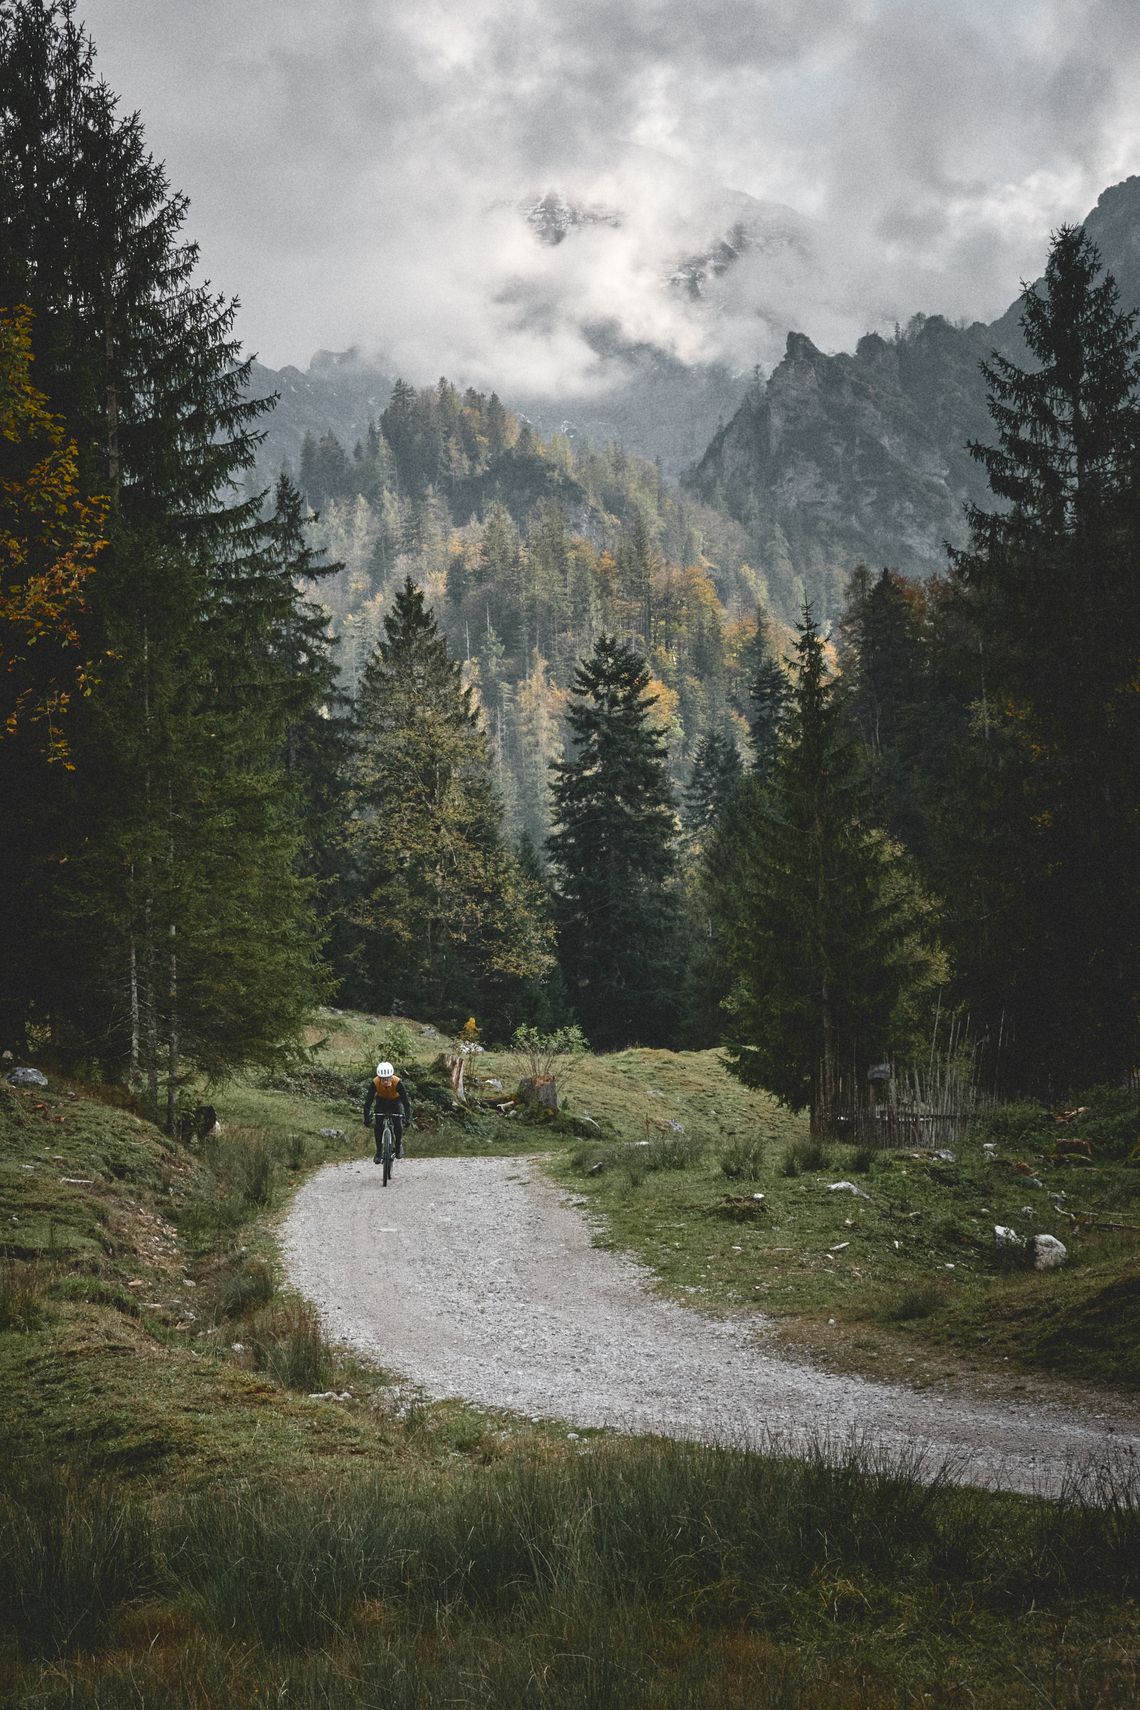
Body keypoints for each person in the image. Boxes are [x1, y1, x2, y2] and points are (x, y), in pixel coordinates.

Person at [364, 1060, 411, 1163]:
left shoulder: (397, 1082)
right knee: (378, 1124)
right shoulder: (375, 1082)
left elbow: (406, 1102)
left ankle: (398, 1146)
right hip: (381, 1101)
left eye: (388, 1078)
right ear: (379, 1078)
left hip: (396, 1101)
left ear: (391, 1076)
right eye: (383, 1079)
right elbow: (368, 1101)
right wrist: (366, 1117)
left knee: (398, 1123)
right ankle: (379, 1152)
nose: (385, 1081)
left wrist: (407, 1117)